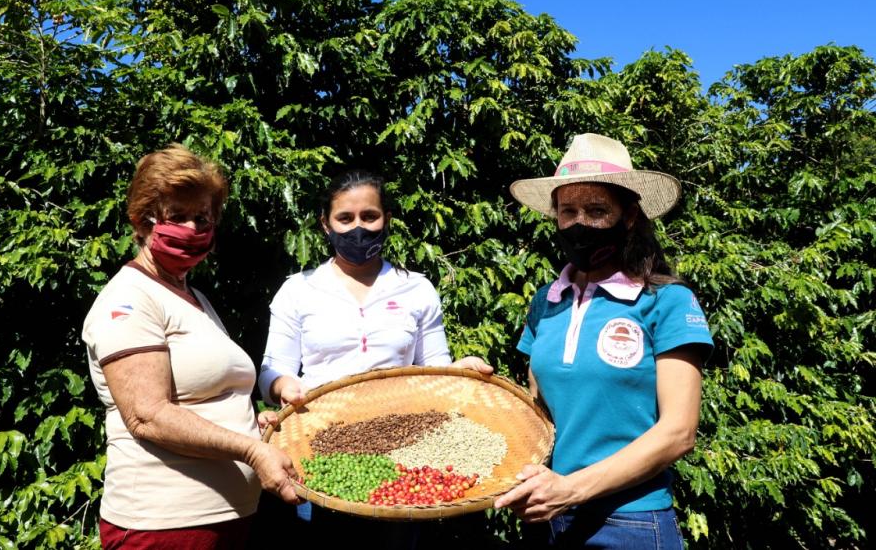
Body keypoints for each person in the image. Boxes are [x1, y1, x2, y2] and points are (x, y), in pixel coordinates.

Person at [495, 133, 713, 549]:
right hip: (548, 518)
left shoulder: (665, 301)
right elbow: (538, 413)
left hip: (630, 521)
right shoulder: (547, 302)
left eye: (597, 211)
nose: (579, 223)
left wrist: (572, 489)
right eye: (568, 211)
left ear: (629, 216)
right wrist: (478, 388)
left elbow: (679, 431)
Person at [256, 169, 492, 547]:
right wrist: (284, 386)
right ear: (326, 225)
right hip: (320, 444)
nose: (358, 228)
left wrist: (458, 372)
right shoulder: (299, 290)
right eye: (345, 219)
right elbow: (272, 370)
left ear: (387, 220)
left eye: (369, 217)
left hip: (402, 448)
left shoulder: (415, 288)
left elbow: (434, 368)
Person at [81, 144, 299, 550]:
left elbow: (205, 397)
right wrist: (251, 451)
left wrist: (256, 424)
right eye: (176, 217)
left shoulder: (194, 297)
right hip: (164, 525)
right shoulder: (127, 300)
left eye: (203, 218)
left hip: (228, 518)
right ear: (141, 221)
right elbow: (149, 416)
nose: (193, 229)